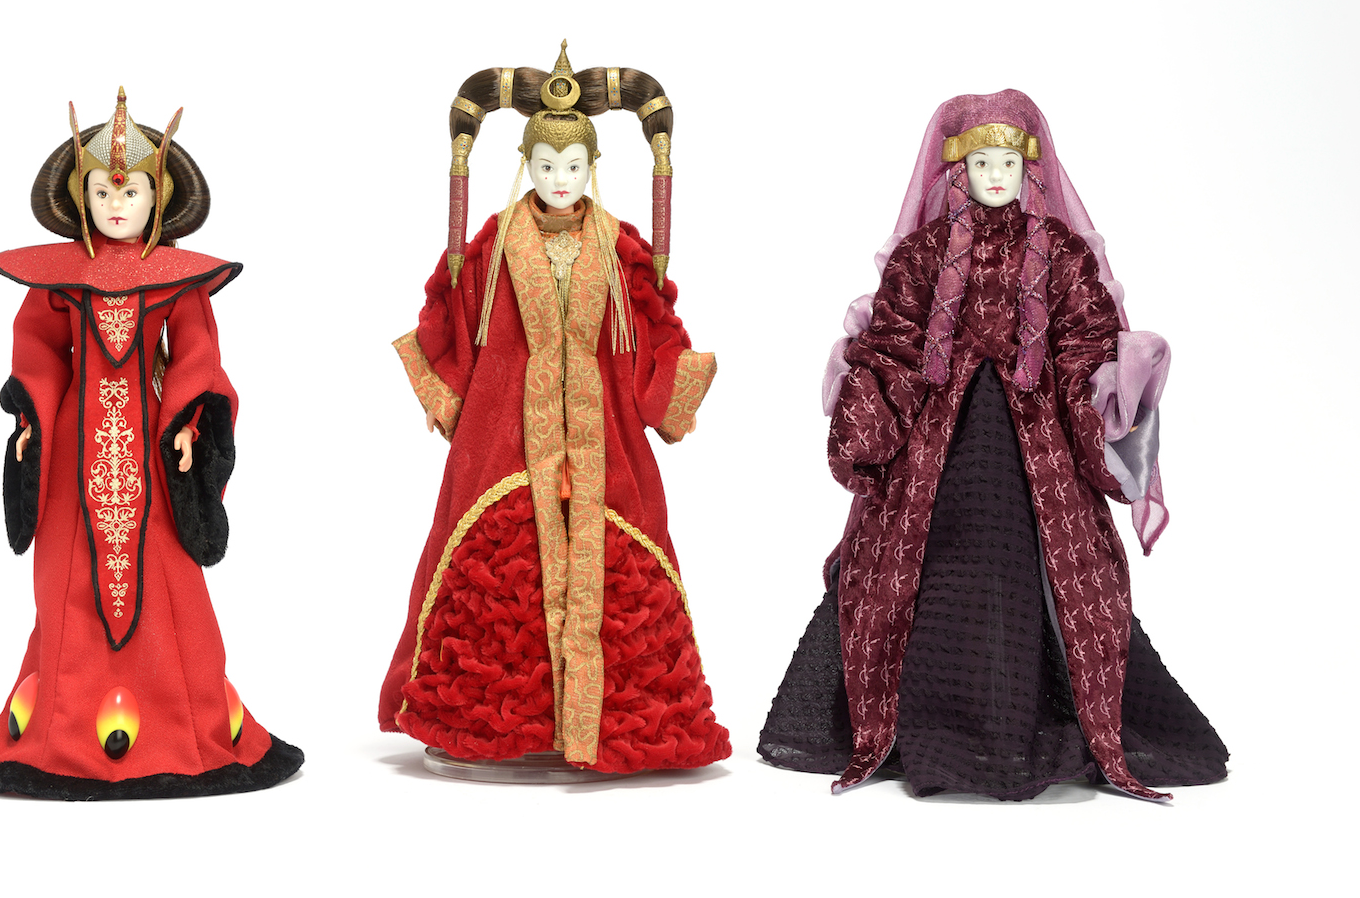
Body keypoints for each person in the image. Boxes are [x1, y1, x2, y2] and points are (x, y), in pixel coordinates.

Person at [759, 90, 1226, 800]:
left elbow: (1082, 342)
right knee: (913, 564)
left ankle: (1027, 720)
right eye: (983, 163)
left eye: (1008, 162)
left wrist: (1109, 390)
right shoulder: (924, 255)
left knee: (1042, 567)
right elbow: (895, 340)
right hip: (936, 449)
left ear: (1027, 167)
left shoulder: (1059, 253)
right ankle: (925, 724)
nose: (997, 175)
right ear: (960, 169)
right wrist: (868, 401)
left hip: (1033, 449)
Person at [379, 44, 729, 776]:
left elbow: (653, 326)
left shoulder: (619, 247)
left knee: (614, 551)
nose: (559, 180)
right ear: (526, 164)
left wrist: (670, 388)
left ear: (592, 166)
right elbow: (455, 313)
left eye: (572, 167)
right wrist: (449, 387)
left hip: (603, 439)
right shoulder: (494, 243)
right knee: (502, 570)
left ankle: (597, 724)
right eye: (545, 166)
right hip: (506, 436)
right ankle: (515, 724)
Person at [0, 88, 302, 799]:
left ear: (158, 197)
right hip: (73, 452)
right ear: (81, 198)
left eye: (132, 190)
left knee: (170, 575)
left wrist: (187, 423)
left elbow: (197, 354)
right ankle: (60, 726)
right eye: (104, 190)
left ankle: (185, 722)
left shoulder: (178, 280)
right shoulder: (59, 278)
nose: (117, 203)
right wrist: (31, 420)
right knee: (68, 577)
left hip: (149, 442)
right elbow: (38, 351)